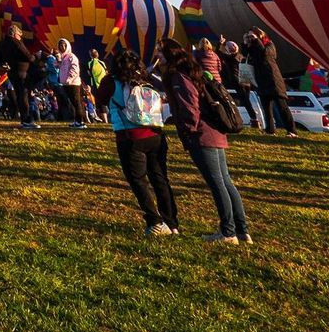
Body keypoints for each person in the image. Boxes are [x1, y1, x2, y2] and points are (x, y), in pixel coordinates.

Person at [160, 39, 250, 244]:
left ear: (169, 54)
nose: (157, 56)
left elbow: (190, 107)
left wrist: (189, 131)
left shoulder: (178, 76)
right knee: (226, 181)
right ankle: (242, 230)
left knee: (217, 183)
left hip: (202, 135)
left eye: (159, 51)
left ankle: (228, 232)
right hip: (215, 131)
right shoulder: (195, 72)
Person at [106, 47, 178, 237]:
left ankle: (154, 220)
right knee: (160, 178)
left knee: (138, 180)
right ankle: (171, 222)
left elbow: (100, 99)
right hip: (155, 134)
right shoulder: (146, 78)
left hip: (129, 136)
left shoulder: (110, 82)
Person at [241, 30, 299, 138]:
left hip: (273, 79)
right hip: (261, 81)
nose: (251, 38)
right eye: (249, 36)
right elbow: (245, 54)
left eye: (252, 36)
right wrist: (245, 42)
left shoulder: (269, 44)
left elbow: (265, 54)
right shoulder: (253, 48)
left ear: (260, 35)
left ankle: (292, 130)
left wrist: (257, 40)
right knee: (266, 108)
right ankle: (270, 130)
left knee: (282, 107)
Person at [0, 20, 38, 128]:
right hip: (22, 72)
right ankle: (27, 120)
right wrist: (36, 56)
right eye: (19, 35)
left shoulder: (2, 43)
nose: (20, 37)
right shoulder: (16, 42)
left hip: (11, 73)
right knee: (24, 95)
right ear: (15, 34)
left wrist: (4, 64)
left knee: (19, 96)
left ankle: (24, 120)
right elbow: (28, 56)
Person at [54, 39, 86, 128]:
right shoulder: (63, 58)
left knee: (76, 102)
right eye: (60, 45)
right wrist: (58, 61)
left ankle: (80, 122)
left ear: (67, 46)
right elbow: (56, 66)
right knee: (72, 102)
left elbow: (75, 69)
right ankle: (77, 121)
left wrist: (69, 79)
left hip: (73, 83)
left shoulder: (72, 56)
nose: (61, 47)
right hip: (66, 84)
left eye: (63, 45)